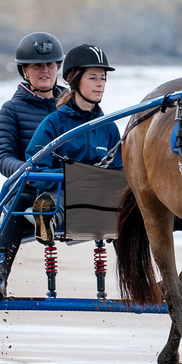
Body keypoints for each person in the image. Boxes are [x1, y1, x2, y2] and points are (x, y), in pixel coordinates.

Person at [0, 32, 66, 300]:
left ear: (58, 68)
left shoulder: (74, 107)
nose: (45, 70)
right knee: (17, 204)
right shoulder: (11, 110)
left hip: (72, 187)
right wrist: (27, 172)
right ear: (24, 70)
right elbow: (3, 157)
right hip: (31, 187)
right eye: (37, 66)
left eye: (51, 64)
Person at [25, 43, 123, 245]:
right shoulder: (53, 123)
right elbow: (34, 167)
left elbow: (120, 168)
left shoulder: (109, 127)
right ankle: (47, 220)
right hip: (63, 194)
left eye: (103, 78)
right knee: (55, 202)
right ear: (75, 80)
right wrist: (69, 176)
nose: (100, 84)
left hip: (99, 199)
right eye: (93, 78)